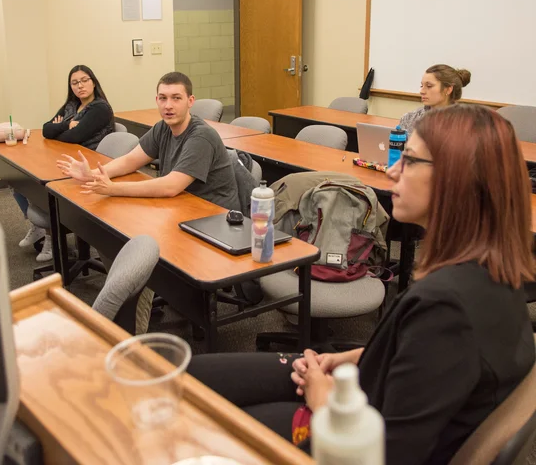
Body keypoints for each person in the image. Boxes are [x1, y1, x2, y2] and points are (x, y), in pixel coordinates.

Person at [187, 104, 535, 465]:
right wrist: (353, 358)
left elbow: (387, 456)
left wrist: (321, 398)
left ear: (458, 180)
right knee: (195, 376)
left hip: (352, 439)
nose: (393, 169)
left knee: (210, 428)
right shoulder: (494, 271)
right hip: (366, 392)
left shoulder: (447, 309)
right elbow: (422, 359)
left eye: (411, 161)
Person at [56, 71, 240, 211]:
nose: (168, 105)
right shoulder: (163, 127)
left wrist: (113, 188)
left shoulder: (201, 136)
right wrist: (92, 174)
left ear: (190, 101)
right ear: (157, 100)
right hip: (184, 204)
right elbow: (131, 160)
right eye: (163, 98)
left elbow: (170, 186)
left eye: (176, 98)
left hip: (215, 215)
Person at [15, 65, 114, 262]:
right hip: (67, 158)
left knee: (43, 188)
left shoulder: (100, 108)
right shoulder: (71, 106)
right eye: (75, 82)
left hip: (88, 165)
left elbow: (75, 137)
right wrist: (66, 125)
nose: (80, 86)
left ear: (93, 82)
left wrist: (61, 130)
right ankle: (40, 228)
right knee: (18, 183)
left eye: (85, 80)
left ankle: (52, 239)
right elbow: (45, 130)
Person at [399, 64, 471, 136]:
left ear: (448, 90)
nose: (422, 91)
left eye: (429, 86)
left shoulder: (465, 123)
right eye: (422, 86)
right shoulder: (409, 119)